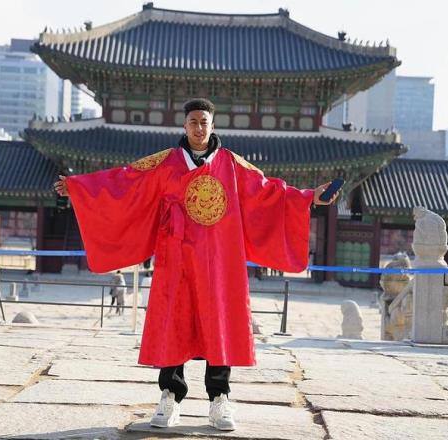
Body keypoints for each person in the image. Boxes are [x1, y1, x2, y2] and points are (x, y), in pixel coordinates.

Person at [54, 98, 339, 431]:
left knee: (219, 324)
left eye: (204, 122)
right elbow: (124, 181)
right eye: (193, 122)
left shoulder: (232, 164)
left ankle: (219, 398)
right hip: (176, 260)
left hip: (220, 262)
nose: (199, 127)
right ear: (184, 125)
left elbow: (268, 192)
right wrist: (79, 188)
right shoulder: (165, 163)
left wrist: (308, 197)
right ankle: (170, 396)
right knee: (173, 322)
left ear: (213, 125)